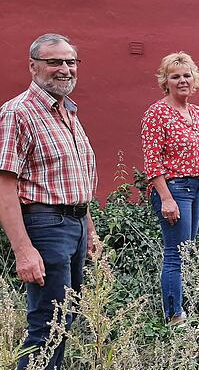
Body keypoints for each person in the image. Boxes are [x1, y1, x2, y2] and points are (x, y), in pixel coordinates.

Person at [0, 33, 98, 370]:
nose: (65, 69)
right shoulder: (18, 113)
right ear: (33, 66)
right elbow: (4, 187)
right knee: (47, 325)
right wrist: (24, 251)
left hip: (75, 226)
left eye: (70, 62)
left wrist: (90, 230)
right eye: (54, 62)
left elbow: (77, 180)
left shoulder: (68, 113)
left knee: (65, 322)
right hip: (46, 226)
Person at [141, 52, 199, 324]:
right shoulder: (157, 113)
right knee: (176, 255)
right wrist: (166, 198)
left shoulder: (197, 112)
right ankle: (174, 317)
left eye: (186, 75)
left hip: (194, 188)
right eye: (175, 76)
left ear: (194, 79)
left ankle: (182, 308)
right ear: (165, 81)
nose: (182, 80)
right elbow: (152, 160)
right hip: (173, 189)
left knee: (187, 251)